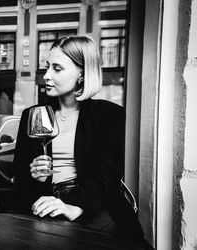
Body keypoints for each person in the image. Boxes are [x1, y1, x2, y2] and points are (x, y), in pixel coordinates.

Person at [14, 36, 149, 248]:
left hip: (94, 205)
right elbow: (20, 180)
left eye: (57, 68)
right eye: (47, 67)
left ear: (82, 74)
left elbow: (106, 176)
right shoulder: (33, 115)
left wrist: (74, 207)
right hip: (47, 205)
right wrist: (36, 179)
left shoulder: (108, 114)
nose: (46, 76)